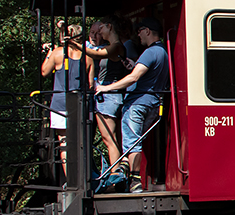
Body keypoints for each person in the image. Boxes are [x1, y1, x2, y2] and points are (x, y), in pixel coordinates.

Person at [96, 18, 169, 193]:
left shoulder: (150, 52)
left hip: (138, 102)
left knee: (132, 143)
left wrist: (106, 88)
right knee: (135, 140)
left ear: (148, 31)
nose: (138, 35)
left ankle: (134, 181)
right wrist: (134, 65)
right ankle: (124, 168)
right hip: (153, 103)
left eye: (140, 31)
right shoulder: (162, 52)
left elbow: (133, 77)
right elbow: (147, 74)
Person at [40, 23, 93, 177]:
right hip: (78, 103)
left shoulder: (57, 53)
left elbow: (44, 72)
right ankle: (83, 176)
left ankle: (70, 178)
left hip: (59, 103)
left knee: (64, 142)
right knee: (80, 142)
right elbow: (90, 84)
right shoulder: (88, 57)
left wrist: (49, 53)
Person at [83, 17, 132, 177]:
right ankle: (116, 171)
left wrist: (75, 46)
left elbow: (96, 54)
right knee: (110, 137)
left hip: (109, 96)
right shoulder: (113, 46)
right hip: (108, 95)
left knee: (109, 138)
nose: (99, 33)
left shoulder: (116, 46)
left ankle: (115, 174)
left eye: (101, 29)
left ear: (109, 27)